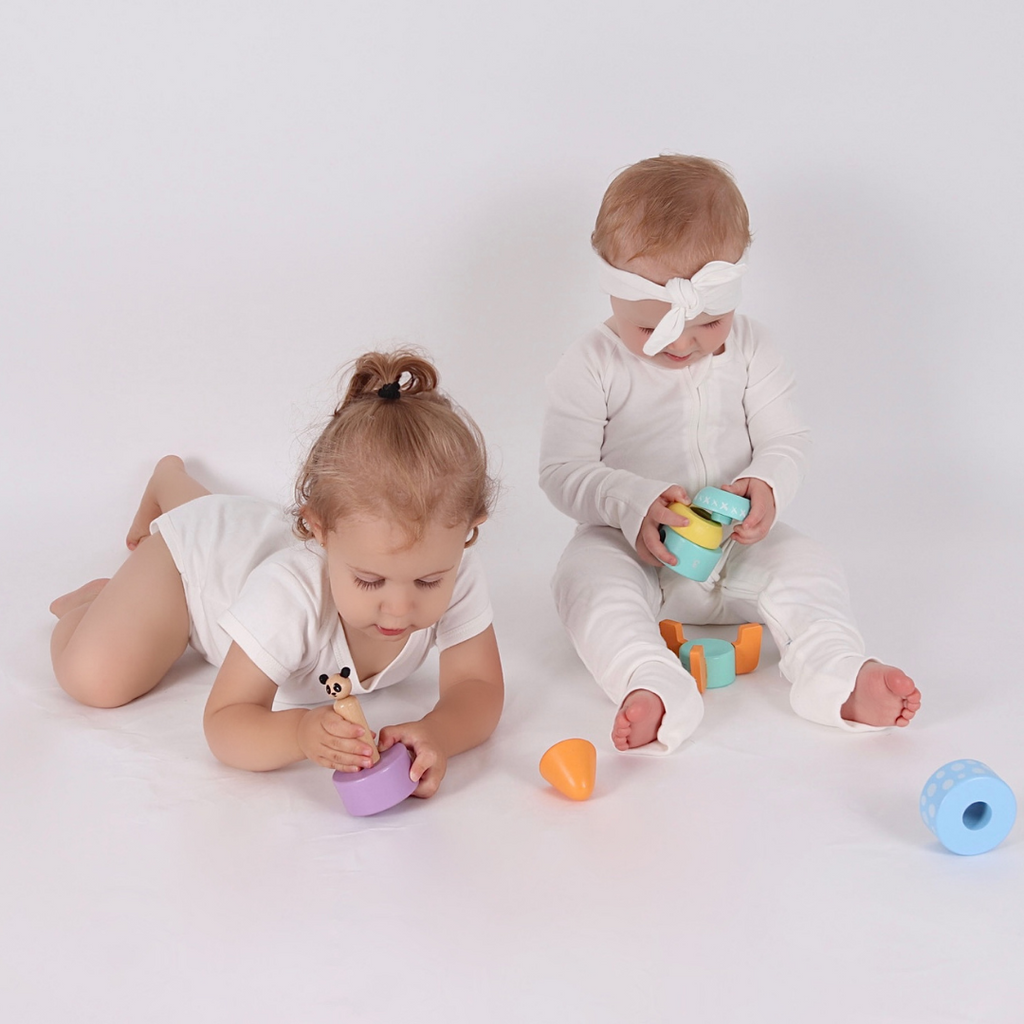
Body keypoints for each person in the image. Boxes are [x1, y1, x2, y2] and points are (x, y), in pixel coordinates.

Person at [539, 155, 921, 754]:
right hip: (632, 549)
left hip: (739, 548)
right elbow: (562, 471)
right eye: (652, 331)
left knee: (809, 564)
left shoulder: (753, 349)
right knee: (583, 577)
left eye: (710, 322)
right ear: (612, 289)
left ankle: (836, 672)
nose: (685, 344)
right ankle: (651, 680)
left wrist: (766, 484)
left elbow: (787, 439)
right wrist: (631, 503)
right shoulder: (591, 364)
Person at [50, 350, 504, 797]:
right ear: (320, 532)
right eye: (370, 580)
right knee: (96, 680)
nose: (400, 607)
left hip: (241, 536)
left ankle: (172, 484)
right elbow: (225, 722)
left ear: (468, 532)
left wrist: (437, 734)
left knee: (225, 522)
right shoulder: (289, 593)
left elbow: (477, 686)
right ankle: (92, 602)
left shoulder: (454, 564)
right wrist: (300, 734)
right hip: (190, 569)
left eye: (428, 582)